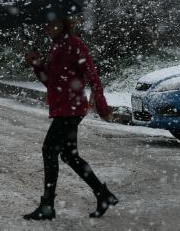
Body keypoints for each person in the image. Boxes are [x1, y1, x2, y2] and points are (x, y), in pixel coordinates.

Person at [23, 17, 119, 220]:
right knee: (68, 155)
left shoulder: (75, 45)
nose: (47, 27)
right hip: (63, 109)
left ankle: (48, 206)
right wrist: (37, 65)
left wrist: (102, 107)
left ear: (63, 23)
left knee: (49, 150)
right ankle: (103, 194)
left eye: (51, 23)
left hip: (71, 109)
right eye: (46, 23)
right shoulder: (56, 47)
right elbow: (51, 82)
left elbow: (93, 77)